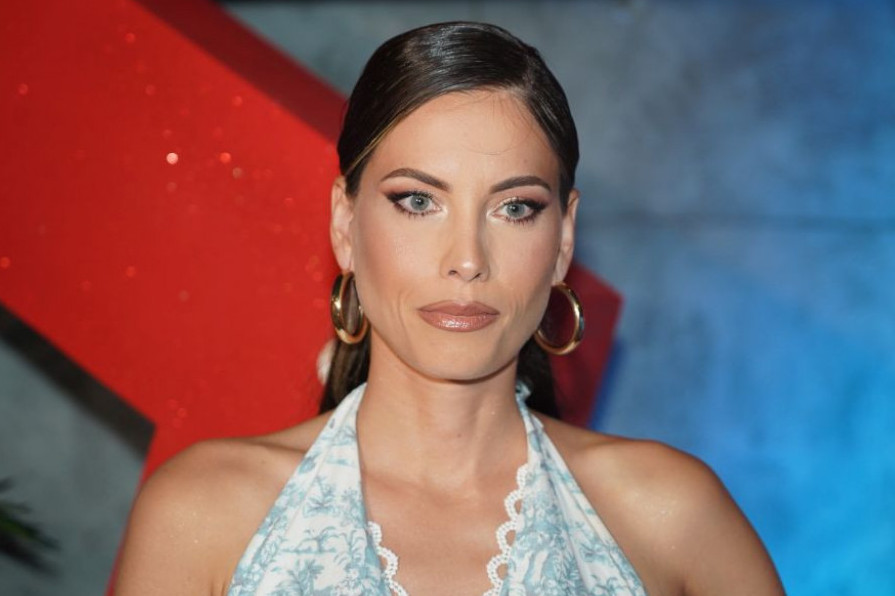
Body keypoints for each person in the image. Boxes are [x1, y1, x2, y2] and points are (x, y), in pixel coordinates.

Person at [114, 21, 785, 595]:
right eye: (417, 201)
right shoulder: (205, 515)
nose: (467, 259)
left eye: (514, 208)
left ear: (563, 240)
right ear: (345, 224)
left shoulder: (669, 515)